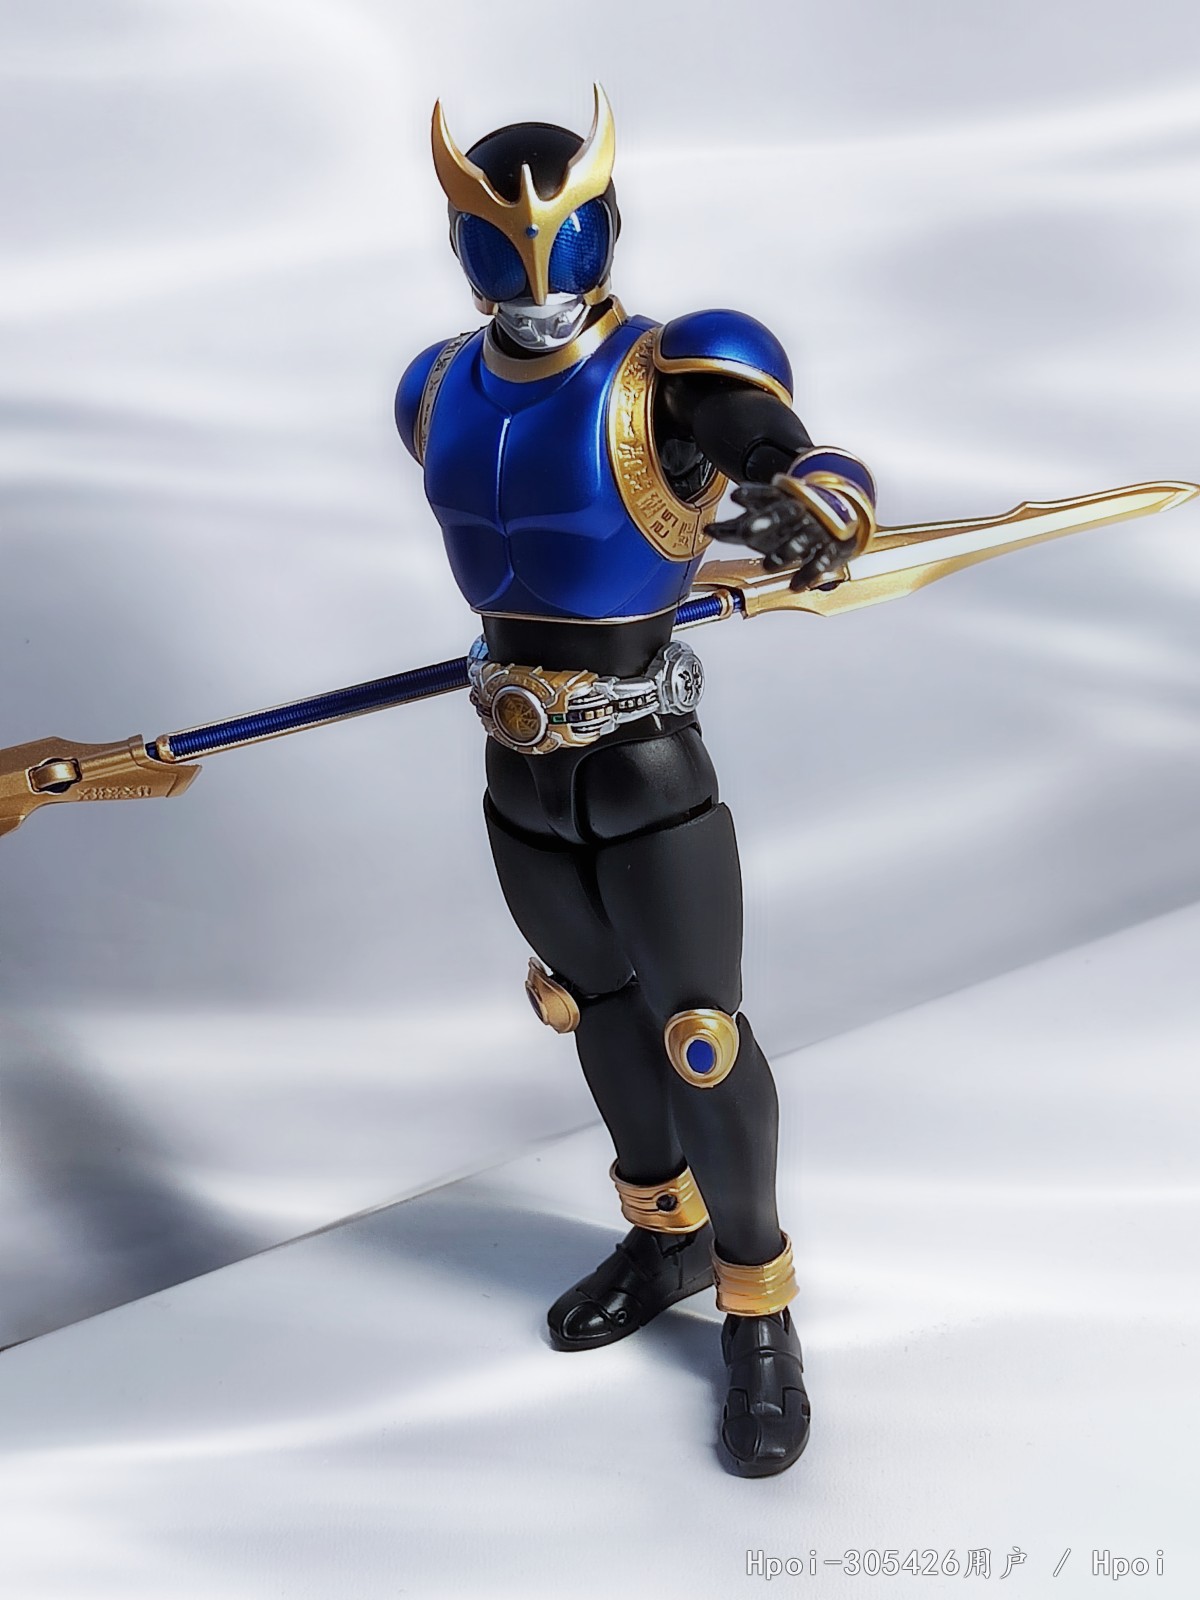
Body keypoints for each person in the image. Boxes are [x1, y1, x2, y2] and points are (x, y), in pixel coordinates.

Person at [394, 85, 877, 1477]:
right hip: (517, 762)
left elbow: (776, 443)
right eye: (498, 239)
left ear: (604, 220)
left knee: (698, 1032)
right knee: (590, 1007)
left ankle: (758, 1304)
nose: (533, 268)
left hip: (643, 761)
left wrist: (806, 493)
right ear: (460, 240)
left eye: (559, 232)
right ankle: (662, 1236)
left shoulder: (667, 370)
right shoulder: (433, 385)